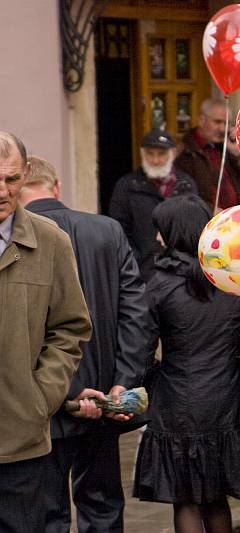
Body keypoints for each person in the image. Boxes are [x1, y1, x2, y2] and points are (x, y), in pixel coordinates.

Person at [20, 156, 149, 533]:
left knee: (47, 513)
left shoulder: (17, 237)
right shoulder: (107, 231)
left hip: (42, 401)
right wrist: (122, 383)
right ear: (56, 186)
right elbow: (135, 314)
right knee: (103, 506)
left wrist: (70, 395)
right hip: (107, 395)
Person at [133, 195, 240, 533]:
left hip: (177, 398)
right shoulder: (232, 281)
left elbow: (142, 351)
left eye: (161, 230)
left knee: (186, 498)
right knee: (215, 497)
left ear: (175, 232)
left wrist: (147, 382)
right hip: (226, 398)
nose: (157, 238)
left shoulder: (159, 285)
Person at [0, 132, 92, 532]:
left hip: (21, 441)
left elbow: (71, 328)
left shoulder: (51, 241)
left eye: (11, 179)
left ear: (27, 174)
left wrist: (42, 396)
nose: (2, 191)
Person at [109, 129, 197, 281]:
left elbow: (193, 228)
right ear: (143, 154)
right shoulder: (127, 186)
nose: (155, 160)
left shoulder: (186, 185)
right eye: (150, 154)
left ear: (173, 154)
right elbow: (119, 230)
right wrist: (134, 263)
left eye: (161, 154)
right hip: (141, 274)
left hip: (182, 273)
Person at [174, 98, 240, 211]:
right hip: (206, 220)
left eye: (226, 123)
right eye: (217, 122)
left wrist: (238, 155)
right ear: (201, 120)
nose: (222, 128)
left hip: (237, 219)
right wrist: (210, 210)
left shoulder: (228, 146)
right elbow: (184, 195)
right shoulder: (185, 151)